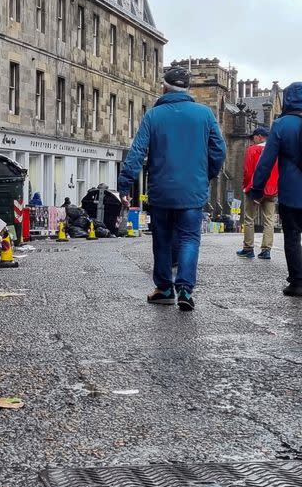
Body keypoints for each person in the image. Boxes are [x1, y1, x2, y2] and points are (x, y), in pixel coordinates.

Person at [118, 67, 226, 311]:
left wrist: (125, 184)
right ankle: (186, 290)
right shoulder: (204, 114)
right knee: (189, 239)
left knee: (163, 240)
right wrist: (207, 174)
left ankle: (165, 288)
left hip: (162, 190)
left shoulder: (154, 116)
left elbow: (137, 153)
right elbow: (219, 150)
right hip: (193, 190)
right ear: (187, 88)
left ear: (163, 87)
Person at [250, 82, 302, 297]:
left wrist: (257, 189)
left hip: (292, 193)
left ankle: (297, 282)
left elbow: (266, 162)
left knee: (292, 236)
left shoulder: (281, 125)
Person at [236, 126, 278, 260]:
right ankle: (266, 250)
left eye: (253, 137)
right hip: (271, 190)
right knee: (269, 220)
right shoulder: (275, 150)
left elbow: (248, 171)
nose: (252, 140)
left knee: (249, 219)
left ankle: (248, 248)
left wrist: (245, 186)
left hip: (254, 189)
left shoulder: (252, 150)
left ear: (259, 136)